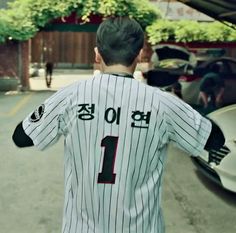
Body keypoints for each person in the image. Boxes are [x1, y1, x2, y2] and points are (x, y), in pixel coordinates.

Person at [12, 17, 225, 233]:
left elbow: (21, 137)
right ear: (140, 54)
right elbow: (215, 139)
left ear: (97, 54)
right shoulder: (162, 102)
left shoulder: (71, 96)